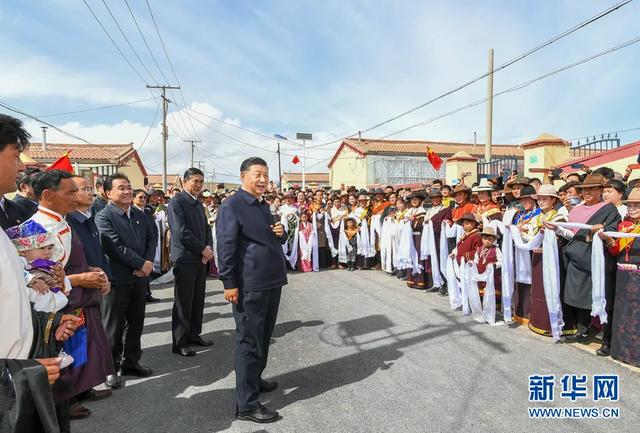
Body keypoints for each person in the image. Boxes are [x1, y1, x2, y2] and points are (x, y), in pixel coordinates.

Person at [216, 157, 287, 423]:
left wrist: (280, 233)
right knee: (249, 342)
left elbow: (267, 237)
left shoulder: (262, 204)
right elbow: (226, 246)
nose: (262, 180)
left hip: (271, 280)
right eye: (257, 174)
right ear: (243, 176)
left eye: (265, 175)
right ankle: (246, 404)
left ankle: (254, 380)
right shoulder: (231, 206)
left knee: (263, 337)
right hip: (249, 284)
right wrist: (229, 283)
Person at [95, 173, 157, 382]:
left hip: (140, 279)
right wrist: (140, 264)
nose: (127, 191)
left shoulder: (140, 214)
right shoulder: (103, 216)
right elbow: (113, 246)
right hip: (117, 279)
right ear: (108, 192)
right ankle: (110, 368)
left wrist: (147, 263)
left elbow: (151, 238)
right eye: (121, 188)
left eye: (129, 187)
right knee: (113, 326)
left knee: (136, 322)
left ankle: (130, 362)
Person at [549, 173, 621, 345]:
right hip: (576, 259)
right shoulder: (577, 209)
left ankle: (606, 338)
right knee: (577, 298)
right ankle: (582, 332)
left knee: (601, 298)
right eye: (584, 189)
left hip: (596, 262)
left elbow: (610, 233)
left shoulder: (609, 209)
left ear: (600, 191)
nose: (587, 192)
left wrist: (600, 231)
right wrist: (557, 229)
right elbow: (572, 234)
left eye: (592, 189)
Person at [167, 168, 214, 357]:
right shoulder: (177, 202)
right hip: (185, 258)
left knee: (197, 299)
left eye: (201, 182)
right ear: (185, 182)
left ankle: (194, 334)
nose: (198, 185)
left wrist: (208, 248)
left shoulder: (198, 203)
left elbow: (206, 228)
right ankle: (180, 342)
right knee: (183, 301)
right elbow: (181, 231)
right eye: (195, 181)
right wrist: (202, 249)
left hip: (200, 258)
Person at [473, 226, 502, 305]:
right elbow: (476, 260)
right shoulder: (479, 249)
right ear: (482, 239)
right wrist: (472, 265)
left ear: (493, 240)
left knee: (492, 291)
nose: (487, 241)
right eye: (485, 239)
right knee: (481, 291)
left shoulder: (496, 249)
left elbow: (501, 261)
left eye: (490, 239)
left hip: (492, 275)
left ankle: (494, 306)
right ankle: (482, 304)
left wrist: (495, 265)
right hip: (481, 274)